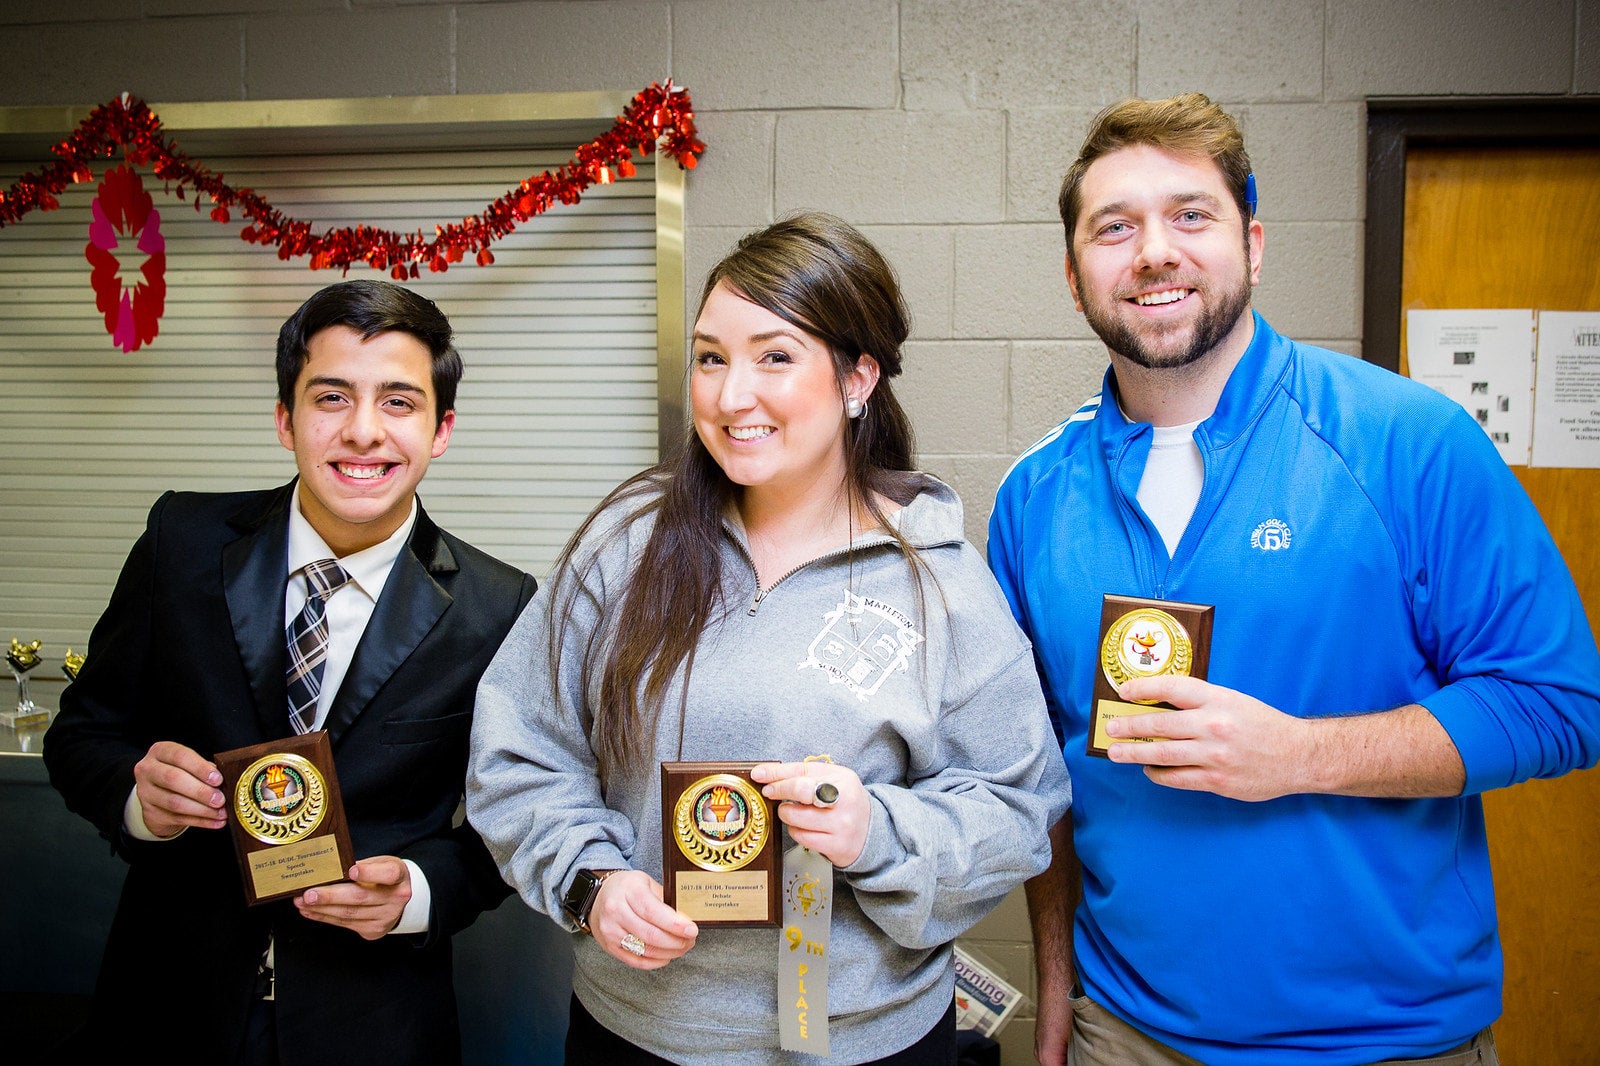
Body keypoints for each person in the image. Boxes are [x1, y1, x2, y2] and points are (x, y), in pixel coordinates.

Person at [988, 92, 1600, 1066]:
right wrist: (1058, 995)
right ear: (1074, 275)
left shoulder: (1405, 441)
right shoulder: (1032, 499)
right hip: (1128, 1032)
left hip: (1386, 1040)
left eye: (1190, 214)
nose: (1153, 251)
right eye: (1115, 227)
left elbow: (1558, 702)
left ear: (1254, 243)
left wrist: (1302, 754)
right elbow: (1041, 780)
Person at [467, 212, 1072, 1065]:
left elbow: (1019, 807)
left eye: (775, 356)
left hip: (868, 1045)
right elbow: (520, 750)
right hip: (635, 1034)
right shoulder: (627, 545)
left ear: (858, 378)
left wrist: (877, 831)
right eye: (712, 357)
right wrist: (591, 883)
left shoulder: (942, 584)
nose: (729, 394)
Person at [43, 280, 537, 1066]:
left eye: (400, 402)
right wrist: (139, 797)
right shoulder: (183, 542)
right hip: (169, 1002)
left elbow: (510, 817)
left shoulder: (498, 605)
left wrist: (418, 891)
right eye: (331, 397)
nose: (363, 432)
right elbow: (82, 733)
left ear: (442, 430)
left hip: (372, 1022)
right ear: (286, 419)